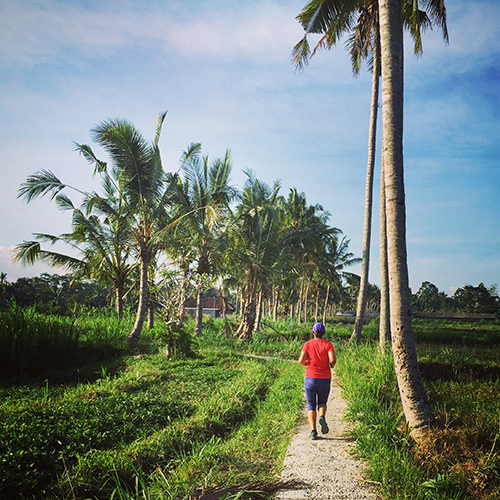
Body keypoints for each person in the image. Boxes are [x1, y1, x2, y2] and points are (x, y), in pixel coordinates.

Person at [298, 322, 336, 440]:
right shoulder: (328, 345)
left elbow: (301, 360)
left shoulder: (308, 344)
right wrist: (331, 364)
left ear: (313, 332)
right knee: (322, 402)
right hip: (324, 378)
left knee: (311, 405)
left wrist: (306, 363)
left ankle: (313, 431)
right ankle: (322, 417)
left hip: (310, 378)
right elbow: (332, 359)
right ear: (324, 332)